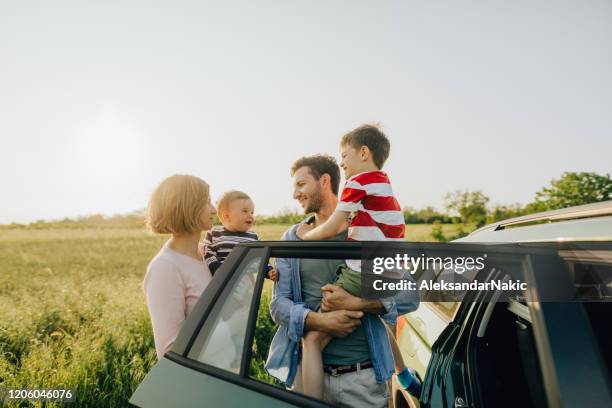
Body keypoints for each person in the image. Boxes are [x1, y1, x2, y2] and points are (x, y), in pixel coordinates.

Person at [265, 154, 419, 408]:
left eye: (301, 184)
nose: (295, 194)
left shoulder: (367, 232)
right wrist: (320, 320)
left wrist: (357, 303)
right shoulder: (290, 239)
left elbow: (409, 295)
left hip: (363, 380)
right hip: (306, 376)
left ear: (324, 181)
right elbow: (278, 305)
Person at [143, 174, 216, 359]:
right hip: (202, 382)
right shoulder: (165, 267)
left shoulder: (207, 255)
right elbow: (170, 352)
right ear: (188, 207)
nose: (214, 209)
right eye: (207, 202)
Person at [203, 190, 277, 281]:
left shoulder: (253, 237)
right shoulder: (214, 233)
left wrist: (268, 270)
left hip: (246, 282)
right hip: (221, 281)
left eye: (252, 212)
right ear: (227, 216)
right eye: (245, 211)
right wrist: (216, 267)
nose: (250, 215)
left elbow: (260, 258)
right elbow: (208, 253)